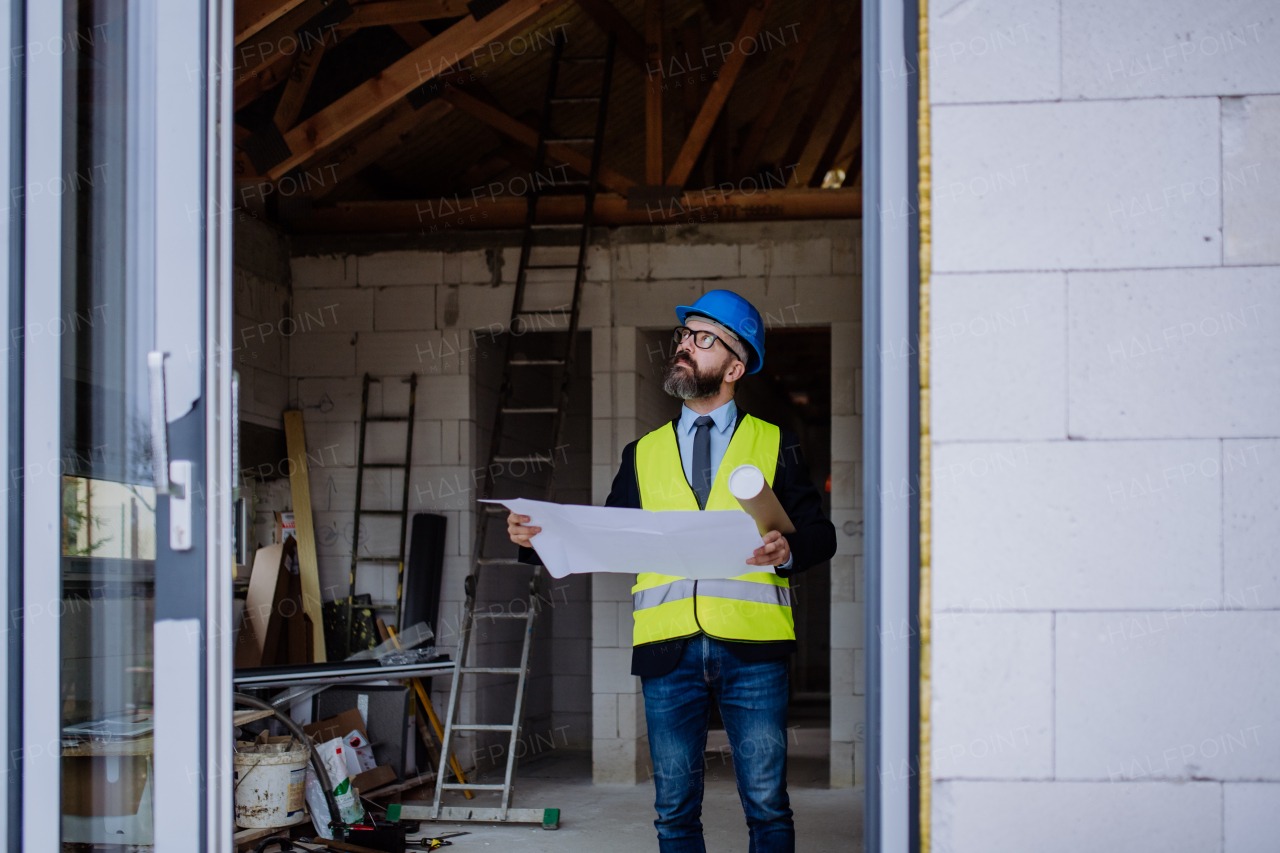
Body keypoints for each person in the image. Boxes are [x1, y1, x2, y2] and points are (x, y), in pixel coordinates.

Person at [507, 289, 836, 853]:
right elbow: (604, 537)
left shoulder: (775, 443)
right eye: (685, 335)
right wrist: (538, 539)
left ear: (735, 366)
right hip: (668, 652)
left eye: (703, 338)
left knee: (767, 807)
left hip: (753, 649)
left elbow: (820, 535)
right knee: (674, 814)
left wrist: (788, 550)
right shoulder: (643, 453)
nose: (684, 344)